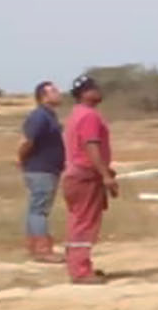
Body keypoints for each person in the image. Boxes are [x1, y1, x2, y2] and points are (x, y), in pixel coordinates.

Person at [60, 75, 118, 284]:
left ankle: (78, 265)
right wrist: (104, 175)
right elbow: (91, 146)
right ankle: (81, 270)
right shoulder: (89, 116)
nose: (98, 90)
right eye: (92, 88)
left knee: (78, 220)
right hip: (85, 176)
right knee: (84, 223)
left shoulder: (77, 114)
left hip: (76, 174)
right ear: (83, 93)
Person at [16, 81, 66, 264]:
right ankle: (43, 249)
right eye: (53, 91)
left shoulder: (49, 116)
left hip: (46, 169)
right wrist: (21, 159)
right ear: (43, 96)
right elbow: (28, 141)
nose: (58, 93)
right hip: (41, 169)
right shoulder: (39, 117)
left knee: (35, 209)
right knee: (40, 210)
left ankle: (34, 246)